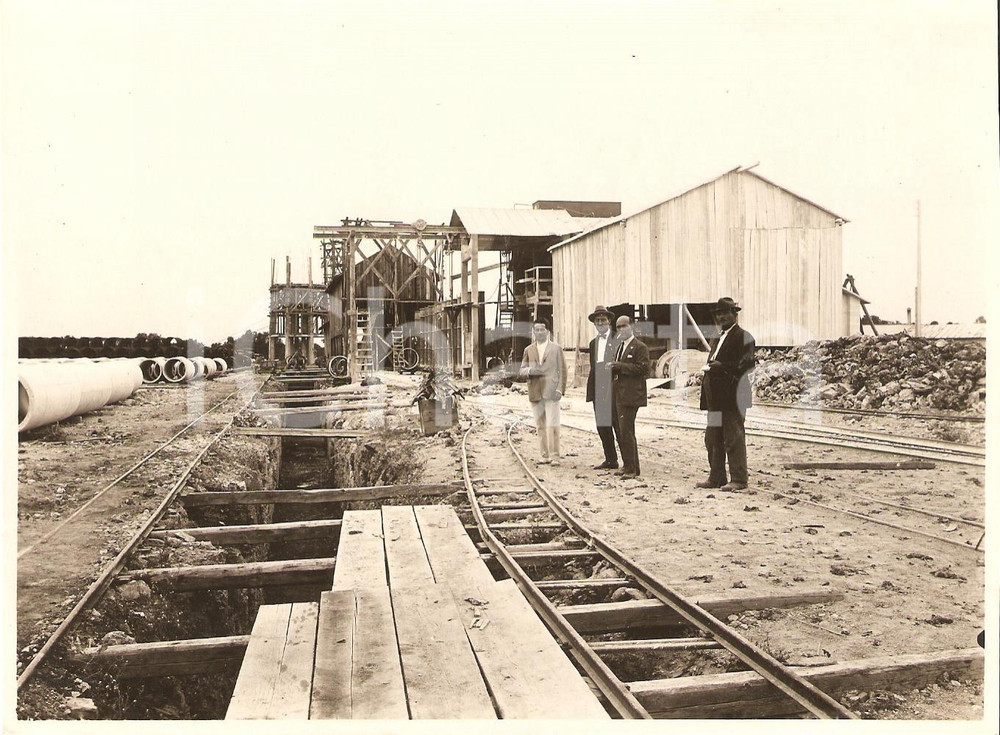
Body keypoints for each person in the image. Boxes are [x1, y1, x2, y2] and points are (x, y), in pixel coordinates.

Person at [697, 297, 755, 491]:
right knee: (712, 438)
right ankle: (717, 477)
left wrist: (722, 367)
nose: (721, 317)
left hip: (733, 396)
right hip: (715, 397)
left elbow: (747, 365)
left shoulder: (744, 337)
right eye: (718, 314)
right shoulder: (717, 338)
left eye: (724, 313)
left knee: (733, 438)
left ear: (734, 314)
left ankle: (739, 479)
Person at [519, 317, 567, 465]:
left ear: (547, 331)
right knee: (540, 425)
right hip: (535, 391)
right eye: (537, 329)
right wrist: (530, 371)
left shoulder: (556, 349)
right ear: (533, 331)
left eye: (542, 329)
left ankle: (554, 456)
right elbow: (521, 370)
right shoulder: (528, 350)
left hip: (551, 392)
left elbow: (563, 370)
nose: (539, 332)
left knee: (553, 424)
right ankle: (544, 455)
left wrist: (560, 389)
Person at [609, 315, 648, 479]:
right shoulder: (620, 346)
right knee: (620, 429)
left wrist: (620, 366)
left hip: (631, 394)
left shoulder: (639, 347)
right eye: (618, 327)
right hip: (619, 392)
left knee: (626, 430)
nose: (621, 329)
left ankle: (631, 469)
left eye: (624, 326)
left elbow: (643, 368)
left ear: (632, 326)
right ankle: (629, 465)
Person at [586, 306, 620, 470]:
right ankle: (611, 459)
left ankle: (628, 462)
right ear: (594, 323)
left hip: (613, 387)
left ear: (609, 321)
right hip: (598, 388)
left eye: (603, 320)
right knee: (602, 426)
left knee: (618, 425)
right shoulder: (593, 344)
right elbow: (594, 367)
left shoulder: (617, 339)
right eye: (597, 321)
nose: (600, 323)